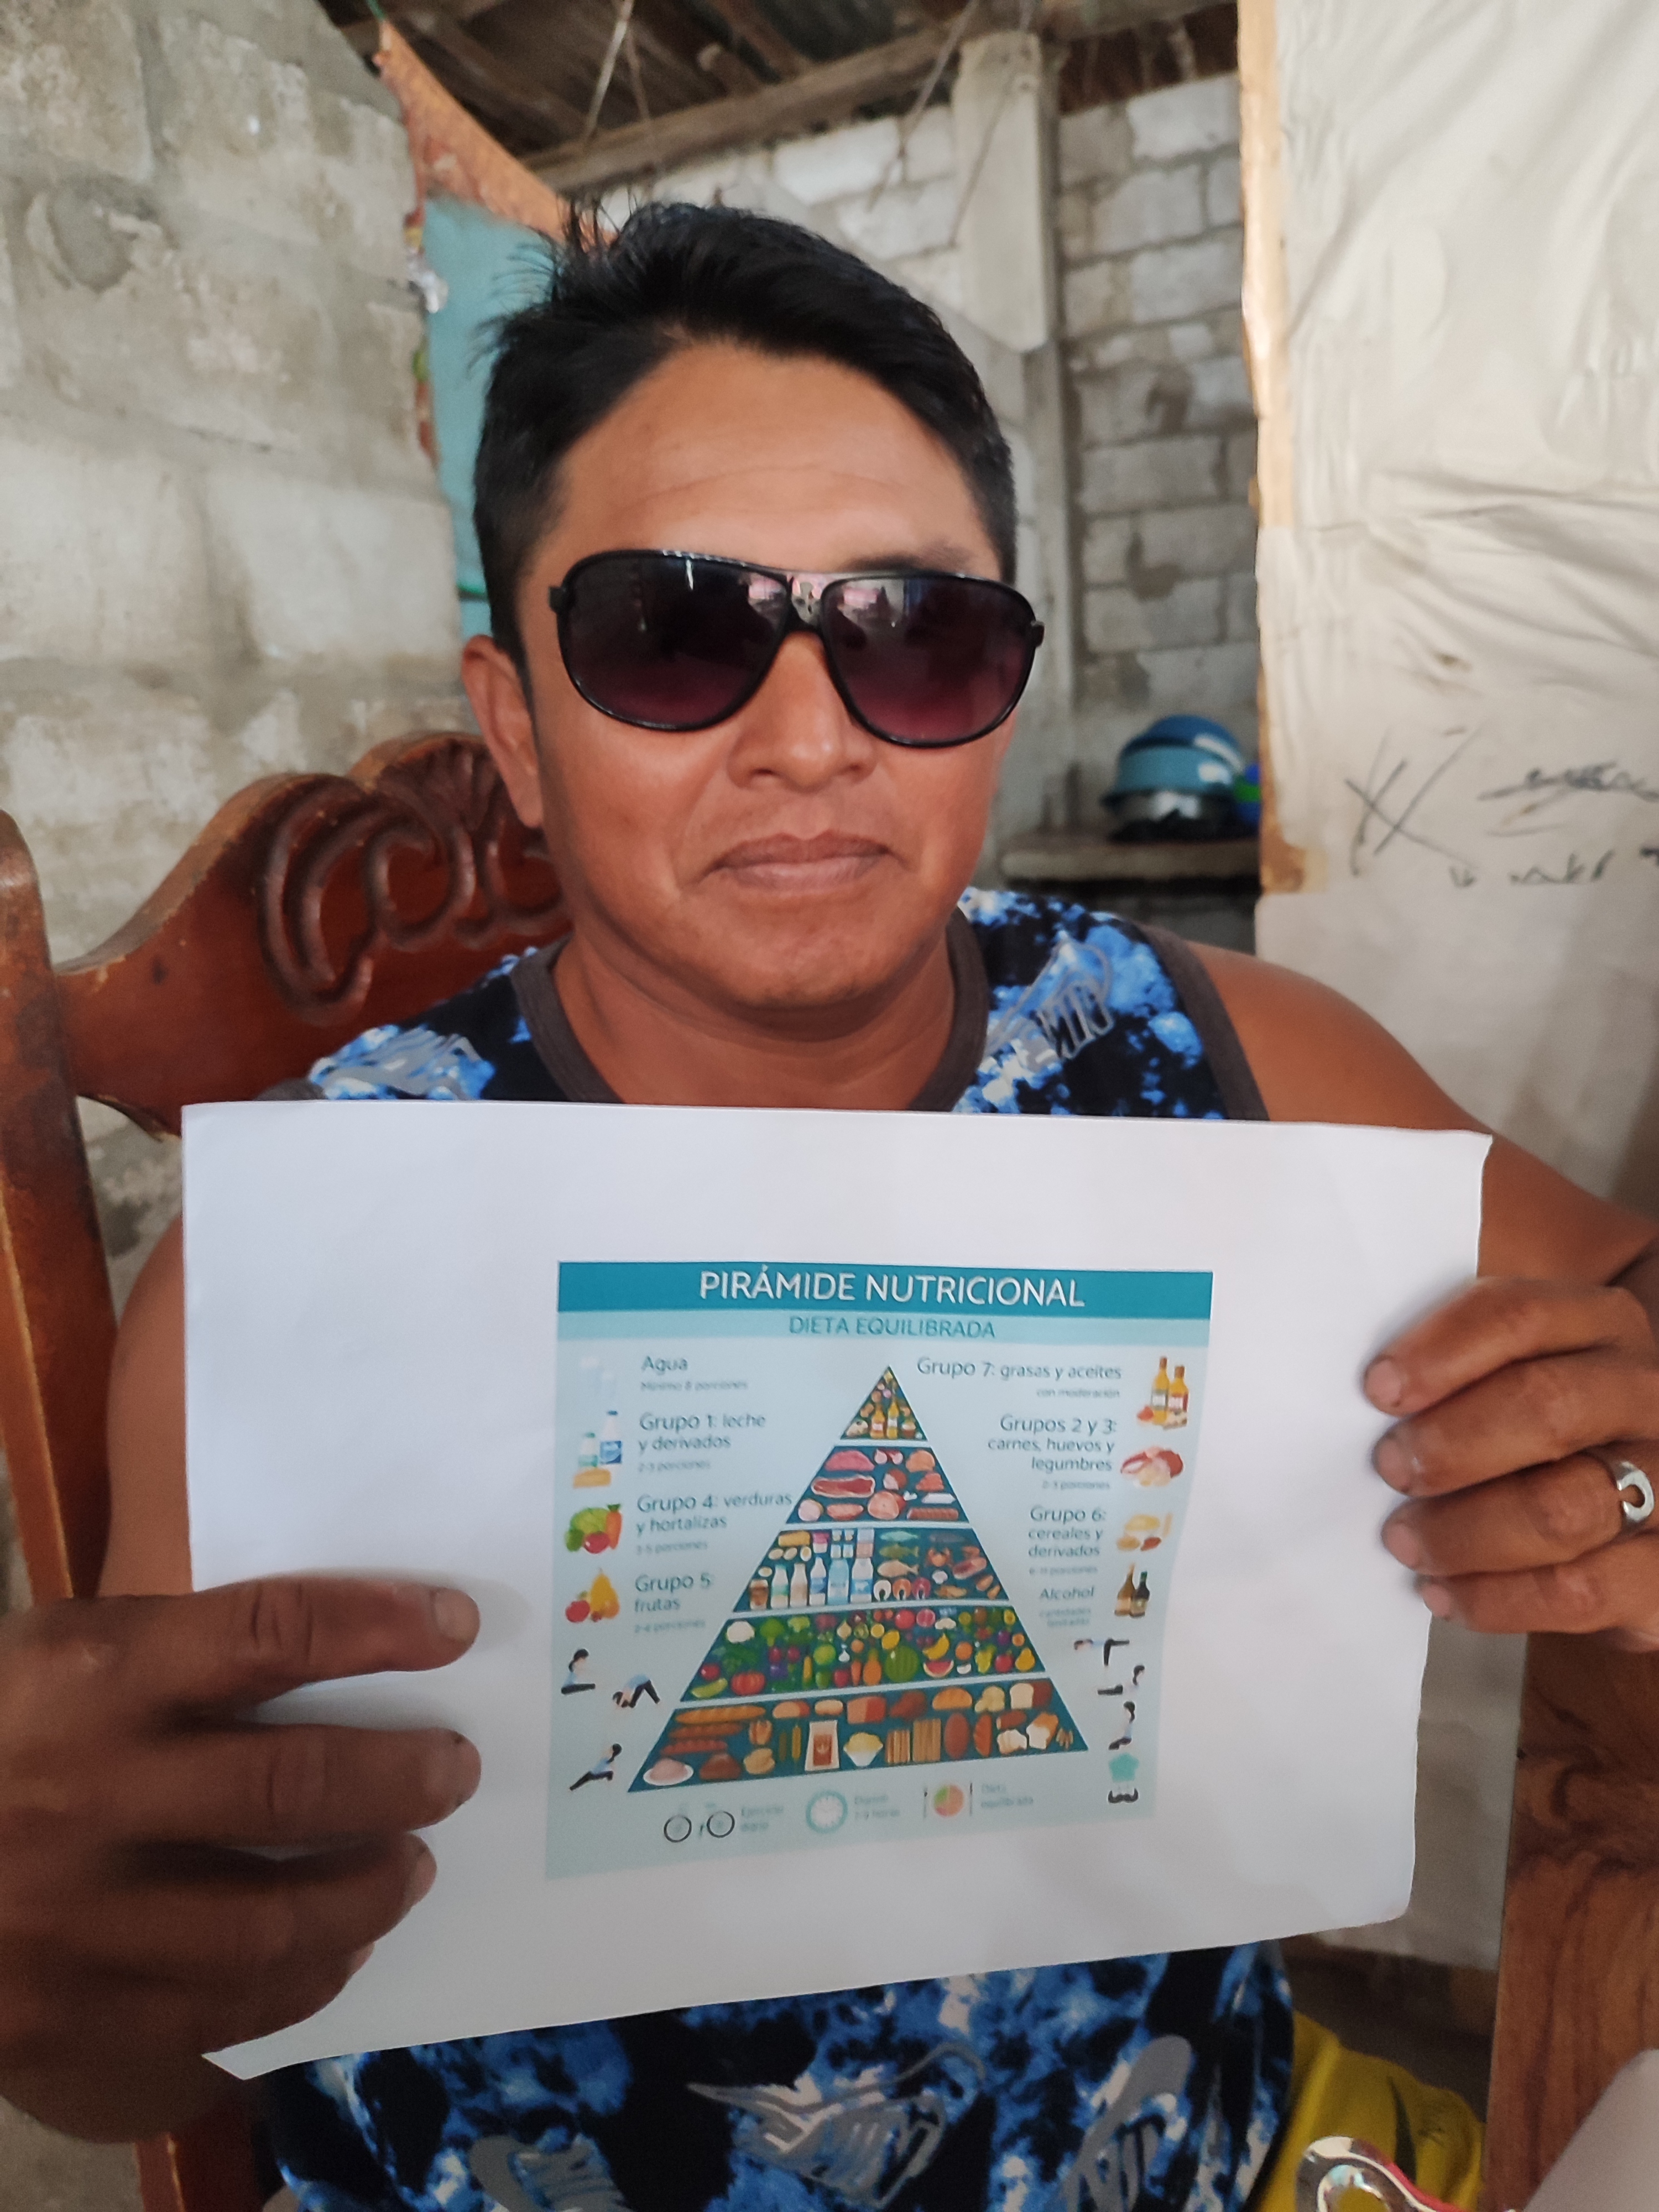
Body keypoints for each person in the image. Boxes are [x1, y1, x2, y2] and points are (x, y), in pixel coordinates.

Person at [0, 204, 1653, 2212]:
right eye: (669, 635)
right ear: (516, 725)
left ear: (1003, 697)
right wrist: (51, 1986)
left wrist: (1626, 1464)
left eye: (912, 638)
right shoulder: (296, 1266)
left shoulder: (1227, 1068)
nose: (807, 743)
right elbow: (154, 2017)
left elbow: (1624, 1308)